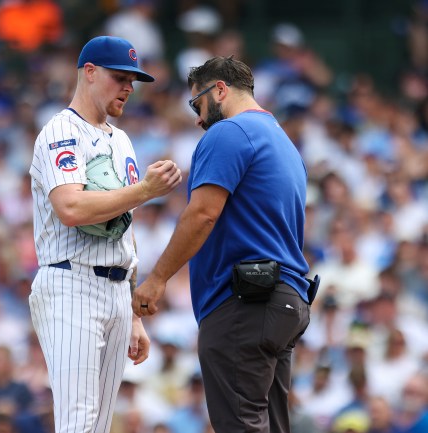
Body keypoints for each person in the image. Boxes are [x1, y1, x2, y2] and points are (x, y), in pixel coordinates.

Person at [132, 56, 313, 433]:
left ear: (219, 90)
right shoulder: (284, 142)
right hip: (284, 302)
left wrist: (158, 278)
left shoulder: (230, 132)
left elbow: (202, 214)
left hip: (245, 303)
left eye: (195, 104)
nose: (198, 118)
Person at [28, 35, 182, 433]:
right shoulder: (61, 131)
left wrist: (133, 314)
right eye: (120, 77)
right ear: (90, 73)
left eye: (133, 80)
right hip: (71, 282)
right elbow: (71, 208)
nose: (129, 87)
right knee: (77, 420)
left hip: (115, 289)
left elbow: (124, 230)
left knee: (98, 424)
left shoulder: (122, 140)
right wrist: (146, 190)